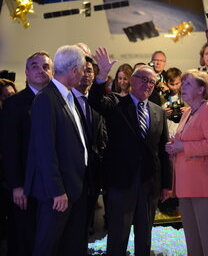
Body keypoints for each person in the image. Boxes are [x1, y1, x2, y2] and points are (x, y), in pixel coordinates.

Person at [89, 47, 172, 256]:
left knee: (144, 239)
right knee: (118, 236)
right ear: (132, 81)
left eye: (152, 82)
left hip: (149, 184)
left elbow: (163, 151)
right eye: (143, 79)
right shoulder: (115, 103)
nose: (147, 84)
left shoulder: (158, 112)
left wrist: (166, 184)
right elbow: (95, 102)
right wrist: (101, 77)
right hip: (120, 183)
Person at [24, 45, 89, 256]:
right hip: (56, 193)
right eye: (81, 70)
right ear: (73, 70)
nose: (82, 74)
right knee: (46, 247)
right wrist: (57, 190)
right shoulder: (46, 98)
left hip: (71, 188)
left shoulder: (67, 97)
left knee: (65, 246)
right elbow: (44, 150)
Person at [165, 70, 208, 256]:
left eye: (188, 84)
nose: (183, 87)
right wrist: (174, 146)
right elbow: (185, 142)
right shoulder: (188, 112)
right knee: (194, 244)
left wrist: (183, 146)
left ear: (202, 89)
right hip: (187, 186)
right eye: (182, 84)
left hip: (205, 186)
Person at [1, 51, 53, 256]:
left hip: (53, 186)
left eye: (46, 66)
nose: (41, 70)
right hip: (26, 187)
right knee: (25, 239)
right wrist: (17, 185)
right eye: (35, 66)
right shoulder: (14, 103)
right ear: (26, 73)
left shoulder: (59, 100)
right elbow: (10, 147)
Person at [71, 56, 108, 239]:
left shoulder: (99, 102)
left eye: (90, 70)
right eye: (82, 70)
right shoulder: (66, 101)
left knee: (86, 225)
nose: (86, 74)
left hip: (95, 174)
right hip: (72, 175)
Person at [161, 67, 185, 137]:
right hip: (167, 133)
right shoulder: (162, 97)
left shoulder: (186, 96)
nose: (175, 87)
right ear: (166, 83)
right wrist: (162, 113)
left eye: (177, 83)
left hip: (183, 133)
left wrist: (188, 111)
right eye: (172, 84)